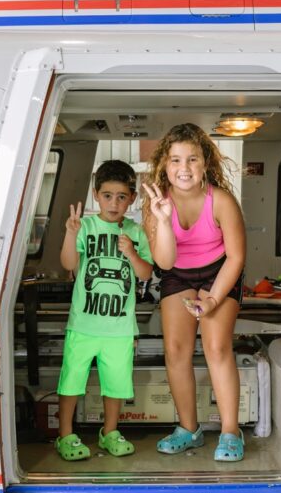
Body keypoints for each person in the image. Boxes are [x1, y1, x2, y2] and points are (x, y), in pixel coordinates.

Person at [142, 123, 247, 462]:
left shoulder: (222, 201)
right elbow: (164, 261)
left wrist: (213, 299)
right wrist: (163, 218)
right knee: (175, 351)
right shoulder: (155, 205)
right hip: (177, 273)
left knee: (216, 347)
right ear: (164, 165)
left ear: (205, 165)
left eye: (192, 159)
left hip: (220, 271)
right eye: (175, 160)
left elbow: (237, 257)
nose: (183, 168)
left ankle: (231, 432)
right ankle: (190, 429)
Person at [55, 160, 154, 461]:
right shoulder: (84, 226)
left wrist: (131, 253)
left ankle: (109, 431)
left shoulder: (136, 232)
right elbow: (69, 265)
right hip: (84, 324)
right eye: (108, 195)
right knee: (72, 380)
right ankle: (65, 434)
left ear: (132, 199)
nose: (114, 203)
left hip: (120, 328)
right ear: (96, 195)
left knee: (116, 384)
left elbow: (145, 274)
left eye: (122, 196)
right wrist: (71, 234)